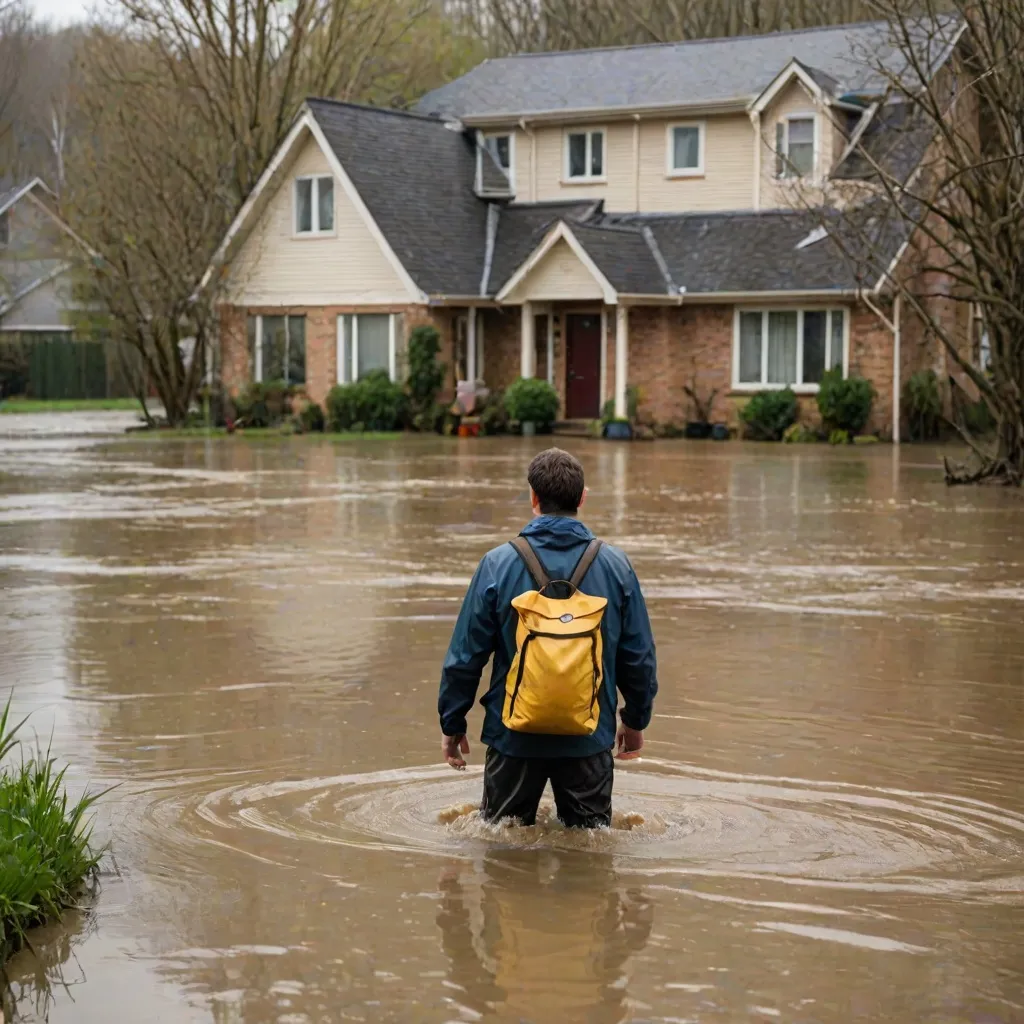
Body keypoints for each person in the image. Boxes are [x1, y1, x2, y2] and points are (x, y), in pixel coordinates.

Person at [437, 447, 658, 828]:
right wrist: (635, 721)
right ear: (583, 498)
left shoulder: (497, 564)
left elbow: (466, 655)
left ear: (533, 497)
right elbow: (637, 657)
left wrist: (452, 723)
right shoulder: (617, 566)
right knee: (591, 856)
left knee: (502, 851)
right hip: (588, 736)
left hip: (513, 737)